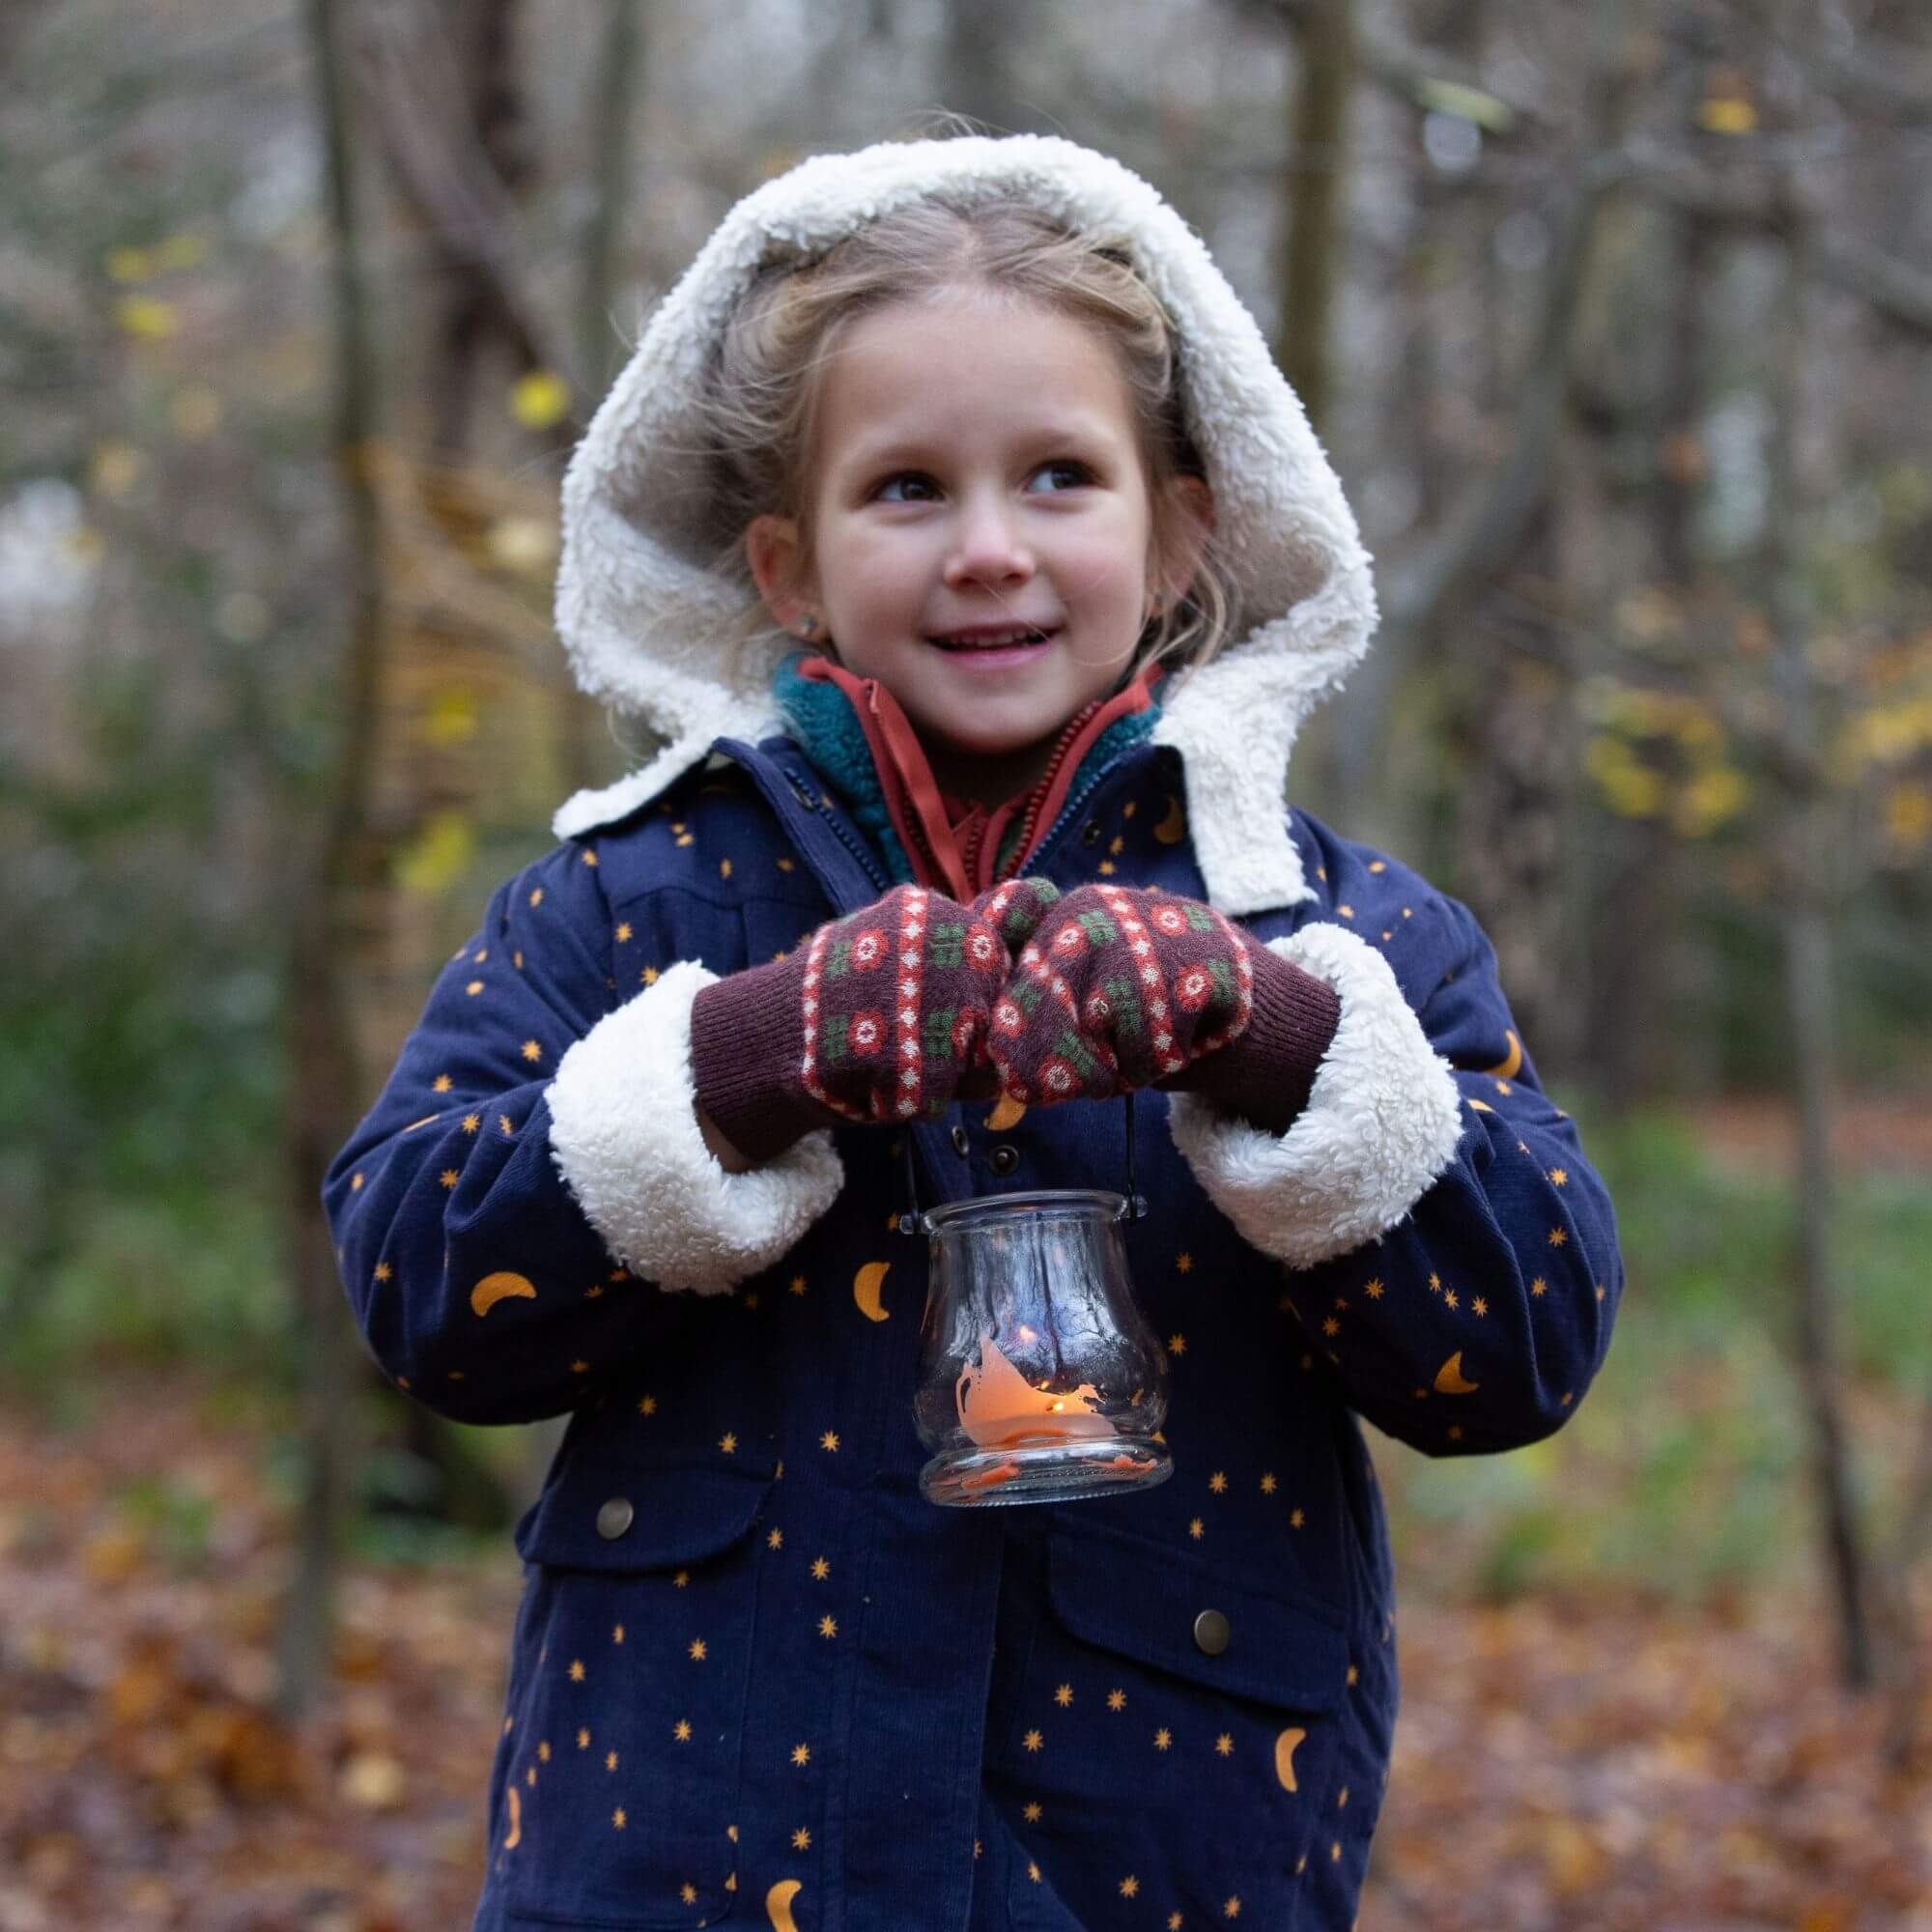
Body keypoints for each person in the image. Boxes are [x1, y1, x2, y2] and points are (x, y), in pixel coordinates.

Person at [325, 131, 1622, 1932]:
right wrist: (737, 1062)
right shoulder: (627, 905)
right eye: (908, 488)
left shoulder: (1328, 931)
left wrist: (1276, 1040)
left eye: (1061, 477)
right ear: (788, 564)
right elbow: (412, 1277)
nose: (990, 550)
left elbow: (1528, 1340)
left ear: (1180, 532)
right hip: (679, 1864)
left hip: (1156, 1869)